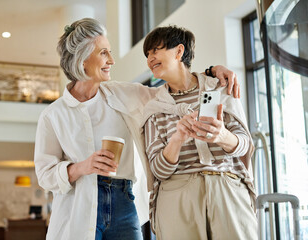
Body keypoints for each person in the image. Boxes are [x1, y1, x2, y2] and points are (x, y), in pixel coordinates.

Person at [34, 18, 240, 240]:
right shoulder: (53, 115)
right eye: (104, 53)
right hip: (79, 204)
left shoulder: (122, 94)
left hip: (123, 200)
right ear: (82, 60)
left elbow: (172, 91)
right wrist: (83, 167)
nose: (111, 60)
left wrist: (209, 73)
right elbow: (45, 175)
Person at [142, 26, 257, 239]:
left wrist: (222, 136)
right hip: (177, 196)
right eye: (147, 54)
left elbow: (244, 145)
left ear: (178, 51)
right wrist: (176, 140)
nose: (150, 58)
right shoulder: (154, 107)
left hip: (227, 189)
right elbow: (158, 170)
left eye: (155, 50)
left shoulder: (221, 88)